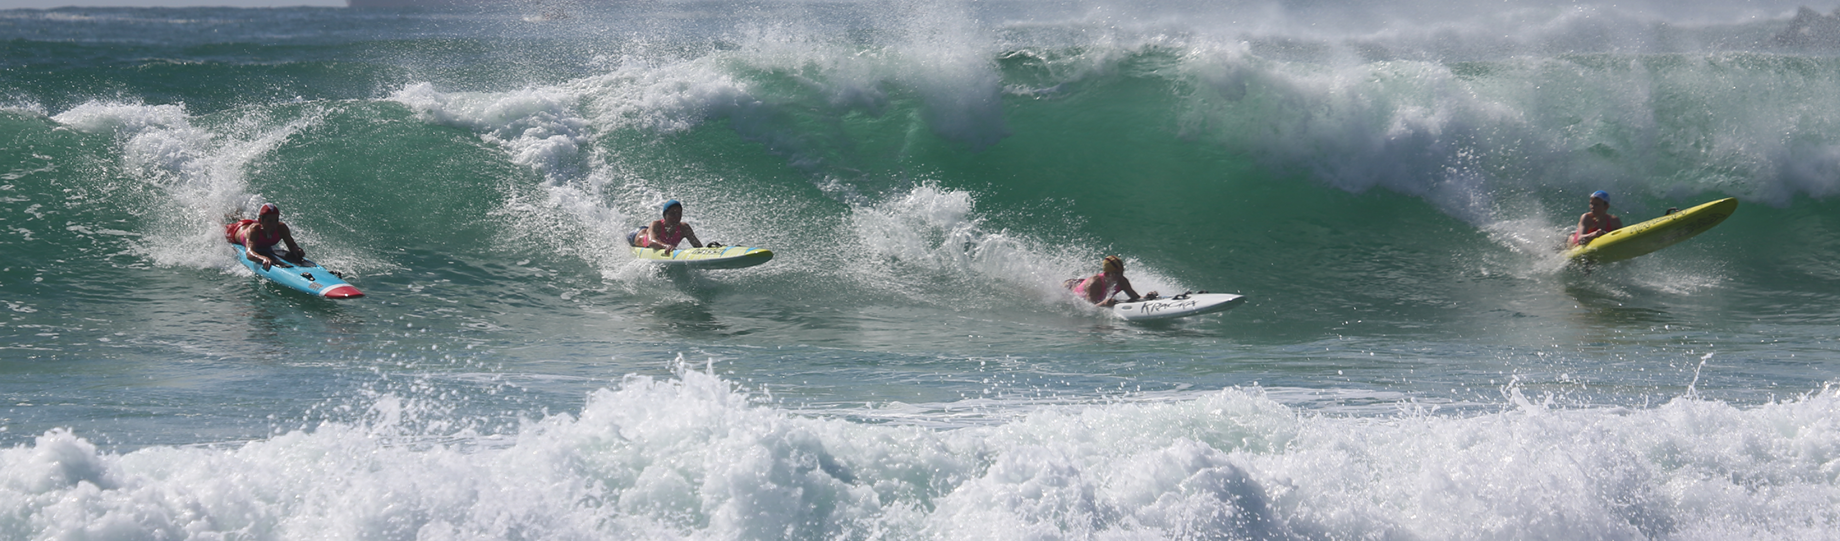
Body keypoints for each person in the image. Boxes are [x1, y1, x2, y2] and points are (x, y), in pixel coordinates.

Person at [223, 203, 305, 270]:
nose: (273, 225)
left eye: (276, 220)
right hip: (236, 230)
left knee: (244, 219)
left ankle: (239, 215)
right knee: (222, 227)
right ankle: (218, 217)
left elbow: (291, 245)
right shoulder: (254, 230)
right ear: (260, 221)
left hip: (255, 224)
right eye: (269, 221)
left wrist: (296, 249)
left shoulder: (281, 228)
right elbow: (249, 253)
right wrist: (263, 258)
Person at [1063, 255, 1156, 307]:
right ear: (1107, 274)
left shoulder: (1122, 281)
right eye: (1116, 273)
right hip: (1070, 288)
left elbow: (1136, 298)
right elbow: (1088, 308)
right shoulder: (1095, 284)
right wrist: (1104, 303)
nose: (1120, 276)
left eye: (1121, 272)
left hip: (1082, 284)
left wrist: (1147, 297)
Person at [627, 199, 709, 251]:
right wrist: (666, 246)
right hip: (635, 236)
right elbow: (651, 242)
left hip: (650, 232)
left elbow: (698, 247)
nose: (676, 217)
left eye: (679, 213)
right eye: (672, 214)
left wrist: (710, 249)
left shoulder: (684, 228)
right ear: (664, 215)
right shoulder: (656, 224)